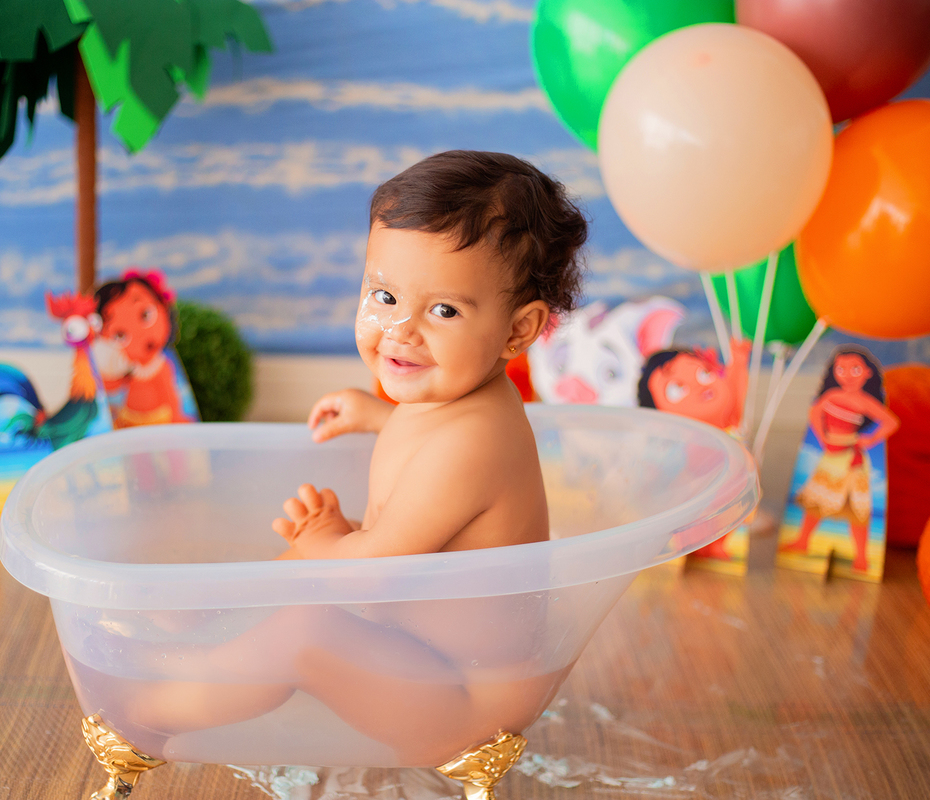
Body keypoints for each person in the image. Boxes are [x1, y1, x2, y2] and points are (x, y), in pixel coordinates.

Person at [128, 151, 589, 765]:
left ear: (519, 331)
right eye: (384, 294)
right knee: (313, 552)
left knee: (306, 623)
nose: (400, 330)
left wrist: (327, 543)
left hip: (459, 697)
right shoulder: (462, 398)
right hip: (417, 651)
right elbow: (431, 445)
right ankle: (217, 621)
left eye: (444, 310)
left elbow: (369, 572)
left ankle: (150, 716)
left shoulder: (474, 443)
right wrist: (376, 417)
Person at [780, 346, 899, 572]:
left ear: (867, 373)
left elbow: (891, 422)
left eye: (855, 369)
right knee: (816, 501)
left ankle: (861, 557)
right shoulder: (832, 396)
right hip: (830, 457)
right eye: (841, 369)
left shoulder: (866, 402)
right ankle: (802, 541)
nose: (847, 374)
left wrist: (870, 439)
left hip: (851, 459)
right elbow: (815, 412)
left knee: (855, 510)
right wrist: (822, 435)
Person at [637, 340, 750, 559]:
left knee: (727, 513)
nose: (700, 386)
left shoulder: (729, 424)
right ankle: (688, 547)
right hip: (690, 498)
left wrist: (739, 360)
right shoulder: (670, 440)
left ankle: (715, 546)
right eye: (678, 387)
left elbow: (736, 397)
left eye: (704, 374)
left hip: (726, 493)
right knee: (691, 516)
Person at [92, 269, 193, 426]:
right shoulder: (131, 368)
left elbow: (170, 396)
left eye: (145, 315)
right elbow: (116, 384)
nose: (139, 335)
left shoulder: (160, 367)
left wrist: (177, 418)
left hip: (157, 422)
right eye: (120, 335)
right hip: (129, 420)